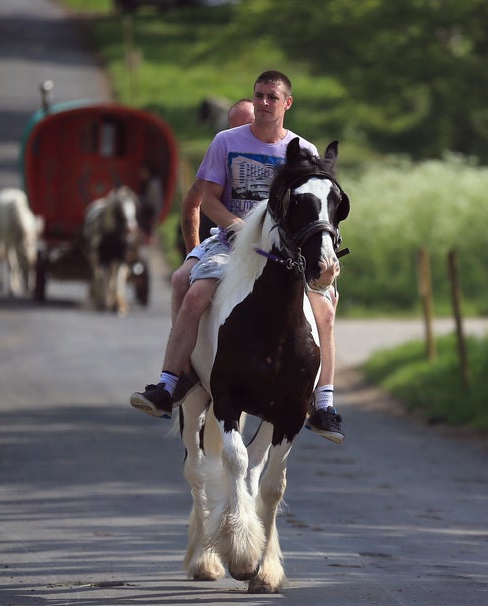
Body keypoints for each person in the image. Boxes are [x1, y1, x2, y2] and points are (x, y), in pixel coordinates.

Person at [131, 71, 347, 445]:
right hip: (232, 242)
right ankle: (170, 382)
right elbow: (208, 198)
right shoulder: (226, 142)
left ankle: (323, 402)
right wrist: (233, 226)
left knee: (326, 307)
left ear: (287, 103)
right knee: (193, 290)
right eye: (259, 95)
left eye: (272, 97)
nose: (264, 103)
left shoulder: (304, 150)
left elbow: (318, 208)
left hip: (286, 252)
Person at [173, 98, 254, 320]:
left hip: (268, 245)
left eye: (246, 126)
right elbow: (193, 201)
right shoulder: (223, 152)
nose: (240, 133)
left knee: (324, 296)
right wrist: (193, 250)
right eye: (234, 127)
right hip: (224, 241)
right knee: (180, 279)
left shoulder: (281, 151)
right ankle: (182, 352)